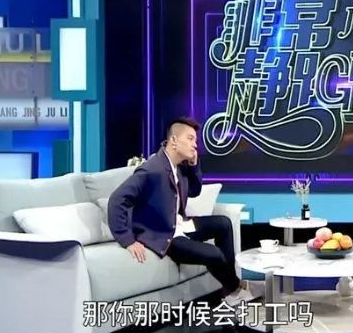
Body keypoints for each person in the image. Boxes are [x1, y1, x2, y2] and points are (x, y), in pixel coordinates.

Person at [108, 116, 253, 306]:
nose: (195, 145)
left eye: (196, 140)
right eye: (190, 139)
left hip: (180, 225)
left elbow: (194, 191)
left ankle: (230, 288)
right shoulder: (152, 170)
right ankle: (235, 288)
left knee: (223, 224)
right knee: (214, 254)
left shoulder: (179, 167)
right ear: (174, 141)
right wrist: (127, 240)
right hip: (164, 235)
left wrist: (194, 166)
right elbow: (117, 200)